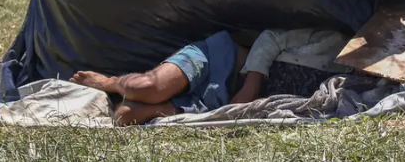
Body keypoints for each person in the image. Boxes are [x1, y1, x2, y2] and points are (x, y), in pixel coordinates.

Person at [70, 28, 349, 125]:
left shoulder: (353, 84)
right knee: (149, 86)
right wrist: (252, 85)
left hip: (220, 102)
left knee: (125, 116)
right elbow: (271, 38)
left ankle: (158, 107)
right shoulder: (337, 41)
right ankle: (108, 82)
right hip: (217, 59)